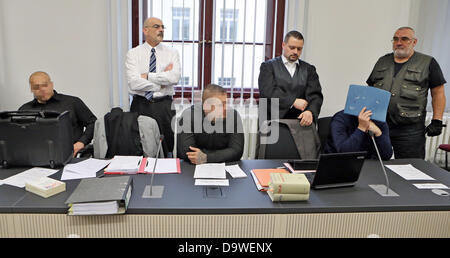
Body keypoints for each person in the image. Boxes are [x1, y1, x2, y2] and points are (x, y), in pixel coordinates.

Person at [367, 27, 446, 159]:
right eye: (396, 39)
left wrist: (437, 120)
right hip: (379, 124)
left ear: (414, 42)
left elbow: (438, 92)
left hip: (410, 129)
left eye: (404, 39)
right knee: (373, 164)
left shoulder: (427, 63)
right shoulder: (382, 61)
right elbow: (370, 88)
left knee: (410, 167)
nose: (399, 42)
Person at [125, 17, 181, 157]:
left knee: (167, 147)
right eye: (156, 26)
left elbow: (174, 78)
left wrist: (147, 76)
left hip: (164, 106)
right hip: (141, 105)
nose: (161, 30)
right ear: (145, 30)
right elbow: (134, 83)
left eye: (162, 27)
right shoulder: (133, 54)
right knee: (141, 146)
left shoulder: (172, 53)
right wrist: (162, 83)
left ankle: (167, 177)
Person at [19, 71, 97, 157]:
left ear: (52, 84)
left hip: (71, 155)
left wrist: (81, 142)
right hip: (36, 157)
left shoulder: (72, 102)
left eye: (45, 85)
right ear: (31, 89)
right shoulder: (24, 110)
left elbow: (93, 123)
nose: (42, 89)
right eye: (36, 87)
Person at [258, 30, 323, 126]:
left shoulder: (309, 69)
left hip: (300, 123)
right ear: (283, 45)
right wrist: (293, 101)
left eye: (299, 49)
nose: (295, 52)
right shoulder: (267, 67)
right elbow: (268, 91)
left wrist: (310, 112)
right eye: (292, 48)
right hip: (272, 121)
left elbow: (315, 96)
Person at [177, 84, 244, 165]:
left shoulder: (233, 116)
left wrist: (207, 157)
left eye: (225, 103)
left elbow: (237, 151)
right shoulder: (188, 116)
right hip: (192, 168)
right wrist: (223, 154)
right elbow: (187, 153)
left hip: (225, 167)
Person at [324, 108, 393, 160]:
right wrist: (361, 128)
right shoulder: (340, 119)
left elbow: (386, 155)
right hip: (338, 163)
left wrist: (378, 133)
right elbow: (345, 154)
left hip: (369, 165)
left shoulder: (378, 120)